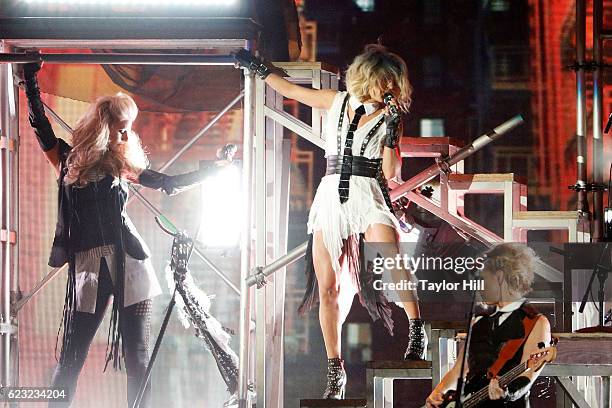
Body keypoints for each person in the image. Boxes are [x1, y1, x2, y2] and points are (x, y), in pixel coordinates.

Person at [20, 62, 225, 407]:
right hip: (88, 264)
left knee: (138, 359)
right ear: (103, 128)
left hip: (131, 262)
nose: (128, 136)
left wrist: (213, 171)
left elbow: (168, 184)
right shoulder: (67, 161)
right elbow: (40, 124)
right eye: (122, 129)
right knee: (71, 358)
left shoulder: (121, 166)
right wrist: (30, 79)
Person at [234, 44, 425, 399]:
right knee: (328, 288)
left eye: (393, 86)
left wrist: (393, 135)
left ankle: (416, 329)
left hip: (368, 192)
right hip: (331, 196)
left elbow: (390, 172)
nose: (390, 91)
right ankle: (335, 371)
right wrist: (260, 69)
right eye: (386, 83)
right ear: (370, 78)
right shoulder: (337, 101)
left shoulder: (388, 119)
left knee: (392, 258)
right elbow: (292, 91)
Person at [426, 243, 552, 408]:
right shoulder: (478, 321)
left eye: (483, 279)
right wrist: (437, 394)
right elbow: (460, 369)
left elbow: (529, 373)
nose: (479, 287)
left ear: (499, 277)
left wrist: (507, 393)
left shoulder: (535, 322)